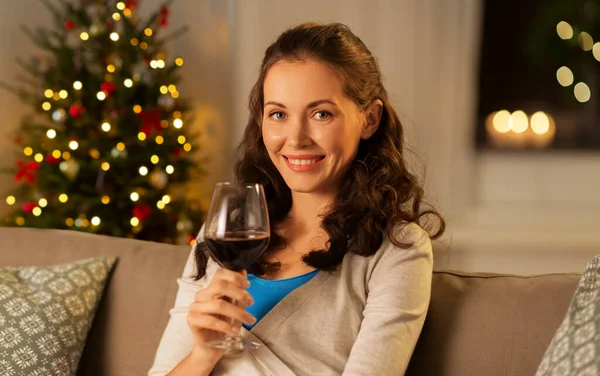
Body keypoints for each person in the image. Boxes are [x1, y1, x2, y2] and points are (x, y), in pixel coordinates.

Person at [149, 22, 445, 376]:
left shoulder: (398, 249)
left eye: (321, 114)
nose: (296, 138)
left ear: (370, 119)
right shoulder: (228, 230)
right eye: (278, 114)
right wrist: (203, 352)